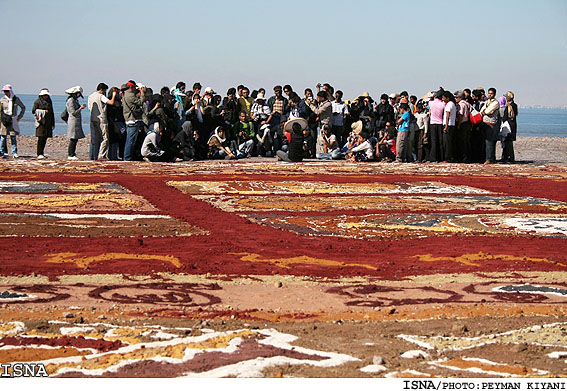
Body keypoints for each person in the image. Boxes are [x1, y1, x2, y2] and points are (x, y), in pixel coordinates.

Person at [88, 83, 117, 160]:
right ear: (102, 90)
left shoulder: (91, 96)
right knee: (105, 138)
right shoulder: (101, 96)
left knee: (96, 138)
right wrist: (114, 95)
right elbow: (111, 102)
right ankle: (102, 155)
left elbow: (89, 107)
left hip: (93, 118)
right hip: (101, 119)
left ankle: (95, 155)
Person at [122, 80, 146, 161]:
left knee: (129, 139)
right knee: (130, 140)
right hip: (132, 119)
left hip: (128, 119)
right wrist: (142, 93)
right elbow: (140, 102)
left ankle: (127, 157)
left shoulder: (125, 94)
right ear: (131, 87)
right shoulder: (130, 95)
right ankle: (127, 157)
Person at [0, 84, 25, 158]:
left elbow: (23, 108)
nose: (5, 93)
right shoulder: (2, 100)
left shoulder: (16, 99)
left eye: (7, 91)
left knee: (13, 137)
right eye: (4, 91)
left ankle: (14, 152)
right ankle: (2, 152)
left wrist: (19, 117)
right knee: (3, 137)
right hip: (4, 120)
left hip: (13, 120)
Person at [31, 88, 55, 159]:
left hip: (48, 122)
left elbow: (52, 112)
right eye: (44, 95)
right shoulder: (37, 102)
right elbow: (33, 111)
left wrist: (53, 123)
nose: (46, 97)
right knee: (40, 138)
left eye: (46, 95)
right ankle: (39, 153)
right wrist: (43, 111)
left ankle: (42, 153)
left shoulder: (49, 102)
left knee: (45, 138)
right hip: (41, 123)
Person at [64, 86, 86, 160]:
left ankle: (72, 153)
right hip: (73, 121)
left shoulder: (74, 100)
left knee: (75, 138)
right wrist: (80, 108)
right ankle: (70, 154)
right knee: (73, 138)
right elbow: (73, 112)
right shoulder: (71, 100)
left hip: (76, 121)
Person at [480, 87, 500, 164]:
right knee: (487, 142)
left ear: (494, 94)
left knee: (490, 142)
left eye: (491, 93)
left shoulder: (495, 103)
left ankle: (489, 159)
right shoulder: (487, 102)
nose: (490, 95)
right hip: (485, 123)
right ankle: (491, 158)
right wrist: (485, 112)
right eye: (489, 93)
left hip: (492, 124)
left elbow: (488, 111)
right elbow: (482, 111)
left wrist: (485, 112)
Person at [455, 90, 472, 162]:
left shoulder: (461, 104)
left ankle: (463, 158)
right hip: (468, 123)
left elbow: (460, 115)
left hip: (463, 124)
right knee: (466, 141)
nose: (455, 99)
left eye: (456, 97)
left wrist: (458, 124)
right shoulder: (467, 103)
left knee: (462, 142)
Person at [501, 91, 518, 163]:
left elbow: (507, 116)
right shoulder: (513, 105)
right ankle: (505, 156)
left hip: (509, 125)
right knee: (507, 141)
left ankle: (510, 157)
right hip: (511, 125)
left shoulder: (510, 106)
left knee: (508, 142)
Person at [428, 91, 445, 162]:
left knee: (434, 141)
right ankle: (441, 157)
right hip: (440, 123)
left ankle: (433, 157)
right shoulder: (443, 104)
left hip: (432, 123)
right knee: (440, 142)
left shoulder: (431, 103)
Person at [441, 91, 457, 162]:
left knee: (446, 143)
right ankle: (450, 157)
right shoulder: (452, 104)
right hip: (452, 125)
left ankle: (447, 158)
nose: (442, 98)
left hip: (448, 125)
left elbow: (447, 116)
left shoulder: (449, 105)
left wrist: (446, 127)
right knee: (449, 142)